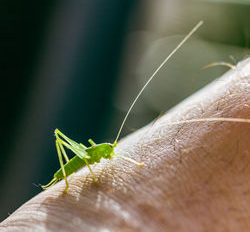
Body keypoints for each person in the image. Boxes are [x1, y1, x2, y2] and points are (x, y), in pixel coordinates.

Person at [1, 58, 249, 231]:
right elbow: (93, 156)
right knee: (68, 141)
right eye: (110, 150)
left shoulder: (106, 151)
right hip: (78, 161)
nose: (111, 152)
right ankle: (63, 181)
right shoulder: (97, 155)